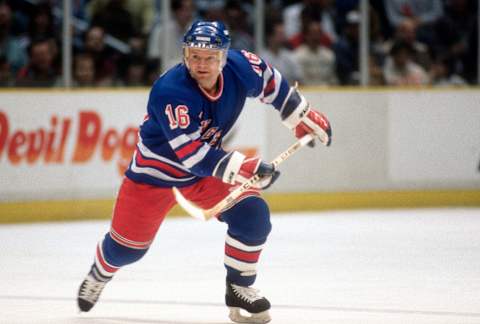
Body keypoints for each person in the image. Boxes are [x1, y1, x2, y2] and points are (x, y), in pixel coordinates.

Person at [77, 21, 332, 323]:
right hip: (153, 179)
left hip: (202, 176)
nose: (201, 64)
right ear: (185, 55)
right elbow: (192, 156)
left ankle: (239, 287)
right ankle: (99, 272)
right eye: (194, 56)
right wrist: (244, 167)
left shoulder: (241, 66)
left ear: (224, 57)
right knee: (127, 251)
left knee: (253, 216)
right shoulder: (170, 91)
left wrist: (299, 116)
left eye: (210, 57)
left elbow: (270, 81)